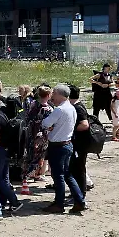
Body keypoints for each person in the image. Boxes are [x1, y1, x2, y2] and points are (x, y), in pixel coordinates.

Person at [41, 84, 87, 214]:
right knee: (67, 174)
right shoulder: (71, 107)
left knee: (58, 176)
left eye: (54, 94)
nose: (52, 96)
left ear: (60, 94)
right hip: (67, 144)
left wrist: (50, 126)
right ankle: (79, 200)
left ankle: (59, 204)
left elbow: (45, 123)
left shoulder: (59, 110)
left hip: (58, 146)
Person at [22, 85, 53, 183]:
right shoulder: (47, 109)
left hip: (31, 132)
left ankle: (26, 173)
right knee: (40, 155)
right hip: (42, 135)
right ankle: (35, 174)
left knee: (30, 153)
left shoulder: (33, 104)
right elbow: (49, 124)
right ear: (48, 95)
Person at [67, 85, 92, 194]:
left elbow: (85, 125)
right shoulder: (77, 106)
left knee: (79, 169)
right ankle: (78, 193)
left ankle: (80, 193)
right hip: (79, 143)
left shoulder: (78, 108)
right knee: (77, 169)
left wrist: (69, 128)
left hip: (80, 144)